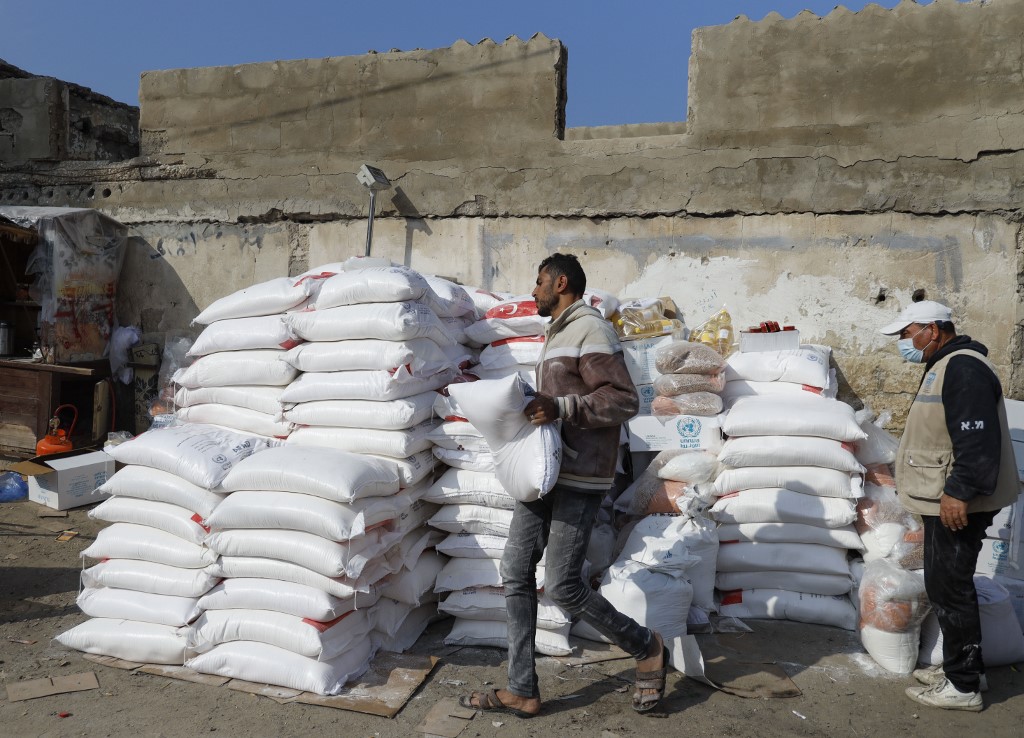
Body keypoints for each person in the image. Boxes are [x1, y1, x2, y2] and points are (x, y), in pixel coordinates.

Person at [461, 253, 668, 718]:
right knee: (515, 570)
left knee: (563, 584)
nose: (533, 291)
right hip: (545, 473)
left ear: (560, 282)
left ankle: (647, 646)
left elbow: (622, 400)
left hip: (580, 477)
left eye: (538, 283)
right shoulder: (558, 333)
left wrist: (561, 408)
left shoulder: (591, 328)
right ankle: (522, 688)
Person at [880, 299, 1018, 712]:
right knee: (948, 584)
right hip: (948, 495)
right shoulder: (947, 363)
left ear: (933, 329)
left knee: (950, 587)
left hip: (959, 500)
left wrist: (958, 492)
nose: (904, 342)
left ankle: (961, 688)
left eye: (906, 333)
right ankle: (966, 669)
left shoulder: (964, 368)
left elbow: (976, 442)